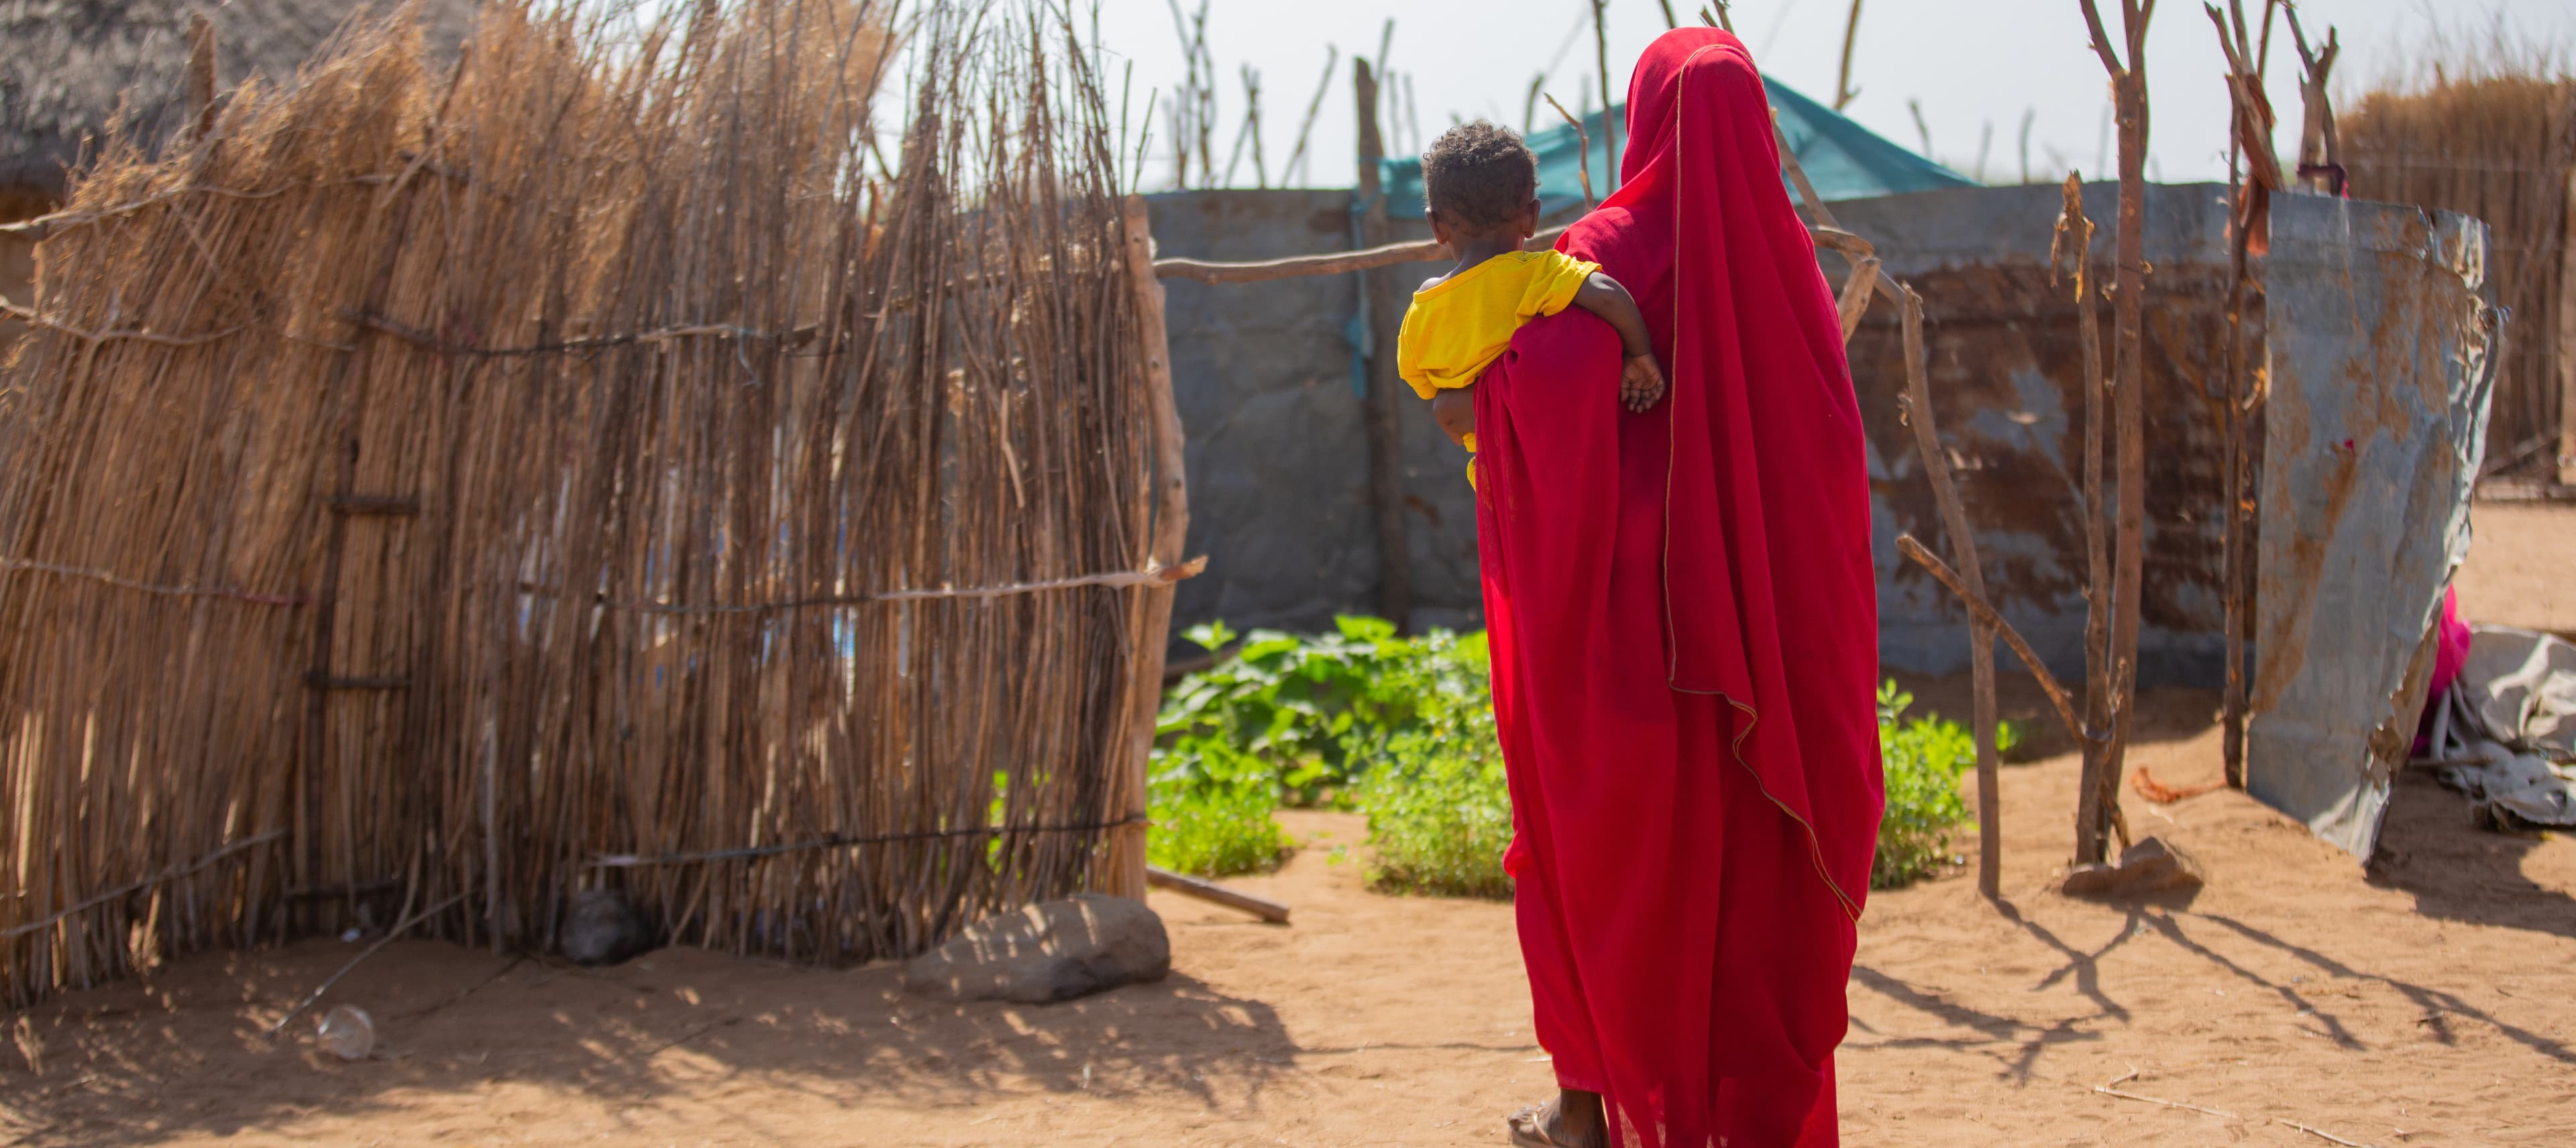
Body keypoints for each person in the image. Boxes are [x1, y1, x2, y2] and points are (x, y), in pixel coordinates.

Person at [1474, 27, 1884, 1148]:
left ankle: (1596, 1107)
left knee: (1613, 869)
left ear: (1646, 117)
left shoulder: (1594, 256)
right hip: (1765, 661)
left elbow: (1520, 404)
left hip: (1627, 645)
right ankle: (1743, 1116)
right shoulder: (1788, 269)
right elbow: (1824, 474)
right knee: (1755, 875)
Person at [1394, 121, 1666, 488]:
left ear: (1436, 226)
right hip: (1564, 456)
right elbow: (1606, 293)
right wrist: (1641, 354)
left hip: (1494, 474)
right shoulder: (1538, 274)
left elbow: (1431, 393)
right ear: (1532, 217)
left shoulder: (1423, 309)